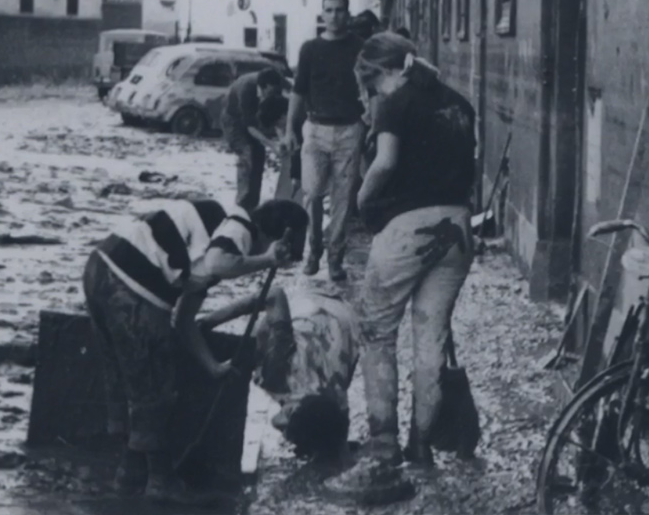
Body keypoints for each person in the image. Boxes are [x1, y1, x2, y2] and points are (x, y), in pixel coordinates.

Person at [325, 33, 477, 502]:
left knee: (377, 331)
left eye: (368, 86)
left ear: (380, 73)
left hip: (408, 228)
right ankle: (422, 445)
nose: (370, 97)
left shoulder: (395, 102)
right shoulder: (459, 103)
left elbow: (385, 163)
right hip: (458, 227)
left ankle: (383, 443)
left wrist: (361, 202)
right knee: (430, 336)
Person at [82, 198, 308, 506]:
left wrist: (212, 366)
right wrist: (268, 260)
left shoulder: (204, 246)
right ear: (274, 237)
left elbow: (184, 321)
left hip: (99, 268)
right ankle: (160, 481)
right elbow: (220, 263)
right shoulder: (240, 226)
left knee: (127, 381)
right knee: (155, 386)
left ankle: (130, 472)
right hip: (132, 284)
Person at [196, 285, 360, 460]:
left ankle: (317, 447)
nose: (276, 426)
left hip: (343, 328)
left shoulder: (334, 402)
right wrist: (208, 321)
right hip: (322, 309)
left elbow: (338, 432)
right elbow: (274, 294)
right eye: (284, 426)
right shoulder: (276, 369)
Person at [284, 0, 366, 283]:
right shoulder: (310, 49)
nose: (334, 16)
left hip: (349, 129)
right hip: (316, 129)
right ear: (322, 14)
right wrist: (289, 130)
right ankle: (313, 251)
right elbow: (298, 91)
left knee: (343, 199)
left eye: (340, 10)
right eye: (329, 10)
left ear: (348, 13)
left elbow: (371, 88)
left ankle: (335, 258)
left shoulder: (360, 48)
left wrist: (371, 123)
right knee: (313, 194)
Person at [221, 68, 289, 212]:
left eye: (274, 92)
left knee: (259, 155)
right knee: (247, 154)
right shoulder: (247, 90)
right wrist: (273, 145)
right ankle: (241, 204)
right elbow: (250, 127)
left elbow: (277, 115)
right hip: (234, 121)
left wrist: (283, 139)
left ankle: (253, 204)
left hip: (253, 118)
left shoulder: (276, 84)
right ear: (262, 87)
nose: (270, 95)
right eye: (268, 93)